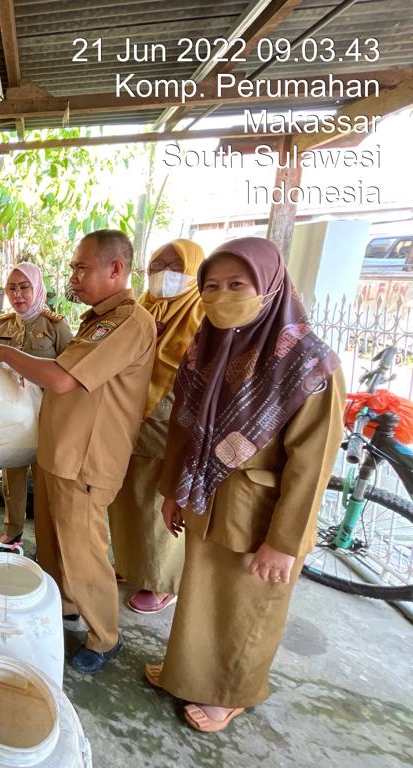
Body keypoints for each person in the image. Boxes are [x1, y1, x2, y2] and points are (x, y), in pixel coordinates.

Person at [148, 237, 344, 732]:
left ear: (270, 286)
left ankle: (233, 693)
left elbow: (313, 462)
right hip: (206, 497)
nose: (221, 296)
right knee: (203, 598)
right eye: (211, 286)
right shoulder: (208, 346)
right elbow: (183, 428)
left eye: (238, 285)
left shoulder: (307, 364)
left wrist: (284, 542)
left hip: (261, 511)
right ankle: (188, 674)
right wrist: (173, 490)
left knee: (247, 608)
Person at [0, 230, 156, 674]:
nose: (73, 276)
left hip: (86, 460)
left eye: (82, 267)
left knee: (85, 552)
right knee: (56, 546)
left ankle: (104, 635)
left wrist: (4, 353)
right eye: (73, 267)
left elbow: (59, 379)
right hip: (60, 453)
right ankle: (69, 607)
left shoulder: (127, 322)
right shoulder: (96, 320)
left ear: (116, 269)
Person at [108, 240, 205, 615]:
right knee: (127, 500)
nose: (163, 273)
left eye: (174, 265)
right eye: (156, 264)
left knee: (158, 506)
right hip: (130, 422)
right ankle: (131, 565)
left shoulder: (203, 317)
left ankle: (163, 582)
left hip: (170, 427)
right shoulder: (145, 309)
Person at [0, 262, 73, 554]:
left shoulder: (56, 326)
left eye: (24, 287)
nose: (17, 294)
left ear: (37, 288)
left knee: (48, 479)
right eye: (12, 287)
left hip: (46, 417)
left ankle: (49, 541)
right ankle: (12, 533)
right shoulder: (1, 325)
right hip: (10, 418)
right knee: (12, 475)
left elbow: (72, 373)